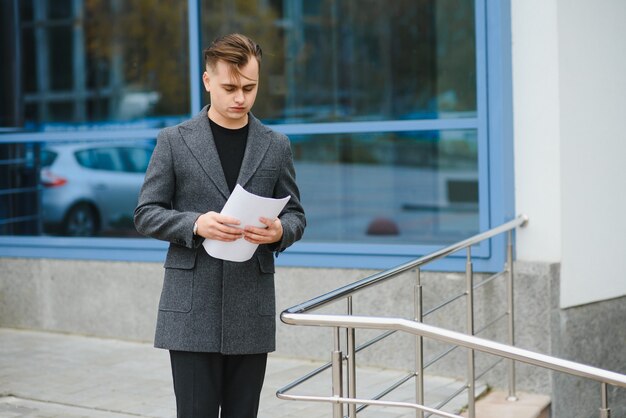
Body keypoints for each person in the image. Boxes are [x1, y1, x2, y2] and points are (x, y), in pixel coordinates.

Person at [134, 33, 306, 418]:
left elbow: (296, 215)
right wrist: (196, 224)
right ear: (208, 80)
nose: (240, 98)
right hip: (191, 308)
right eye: (230, 87)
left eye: (250, 87)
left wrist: (281, 232)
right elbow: (146, 212)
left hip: (251, 307)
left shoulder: (276, 145)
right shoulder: (174, 141)